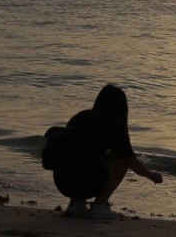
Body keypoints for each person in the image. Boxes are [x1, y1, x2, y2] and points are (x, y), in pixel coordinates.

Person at [53, 84, 163, 219]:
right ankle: (99, 205)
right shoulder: (114, 127)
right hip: (83, 183)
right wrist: (152, 175)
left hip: (62, 181)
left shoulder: (79, 117)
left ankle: (77, 204)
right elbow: (132, 161)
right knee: (121, 161)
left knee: (80, 158)